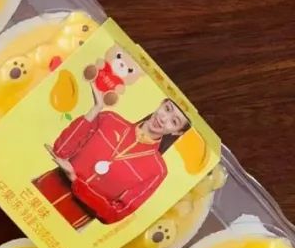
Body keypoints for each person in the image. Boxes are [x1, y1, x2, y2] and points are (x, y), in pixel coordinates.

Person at [35, 87, 191, 228]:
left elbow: (114, 214)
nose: (163, 119)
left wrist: (75, 180)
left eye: (174, 121)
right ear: (161, 104)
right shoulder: (110, 119)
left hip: (70, 220)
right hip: (40, 190)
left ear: (177, 132)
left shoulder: (157, 170)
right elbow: (60, 150)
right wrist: (96, 109)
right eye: (167, 109)